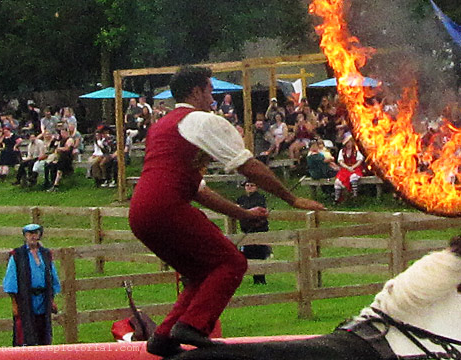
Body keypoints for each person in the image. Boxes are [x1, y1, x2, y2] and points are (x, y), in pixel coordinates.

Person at [128, 66, 325, 358]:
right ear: (196, 91)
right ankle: (191, 327)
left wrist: (241, 214)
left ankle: (164, 336)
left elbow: (198, 190)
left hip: (140, 213)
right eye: (209, 90)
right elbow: (250, 167)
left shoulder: (163, 125)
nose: (213, 97)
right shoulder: (202, 121)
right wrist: (291, 198)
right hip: (167, 208)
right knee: (232, 263)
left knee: (201, 274)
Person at [3, 224, 61, 346]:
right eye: (29, 234)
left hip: (43, 299)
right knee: (25, 331)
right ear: (25, 236)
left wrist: (51, 300)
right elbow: (11, 280)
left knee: (43, 331)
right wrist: (14, 304)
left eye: (35, 233)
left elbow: (52, 276)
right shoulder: (17, 255)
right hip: (25, 299)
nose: (33, 237)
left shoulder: (45, 254)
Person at [235, 181, 272, 285]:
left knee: (259, 255)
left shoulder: (260, 198)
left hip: (259, 230)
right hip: (246, 231)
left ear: (256, 187)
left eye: (252, 185)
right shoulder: (241, 199)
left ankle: (260, 279)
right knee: (246, 255)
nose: (249, 187)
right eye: (247, 185)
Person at [334, 135, 364, 202]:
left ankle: (354, 195)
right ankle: (337, 199)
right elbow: (340, 161)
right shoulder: (342, 151)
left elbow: (360, 160)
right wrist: (347, 167)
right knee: (338, 181)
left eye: (350, 142)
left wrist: (352, 167)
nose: (348, 144)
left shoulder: (356, 151)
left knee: (353, 177)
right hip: (345, 169)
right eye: (347, 143)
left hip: (355, 168)